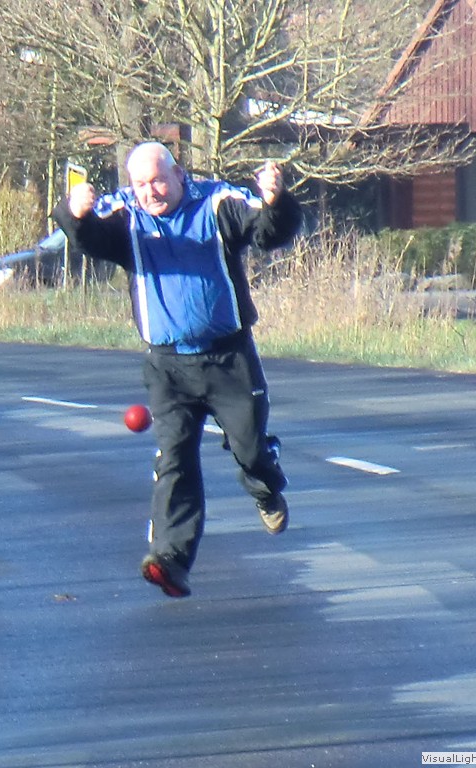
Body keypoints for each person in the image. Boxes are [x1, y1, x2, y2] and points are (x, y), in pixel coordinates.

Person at [53, 141, 302, 598]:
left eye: (158, 181)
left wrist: (274, 201)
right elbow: (89, 238)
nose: (150, 192)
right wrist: (76, 213)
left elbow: (267, 232)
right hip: (167, 367)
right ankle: (170, 560)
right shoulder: (126, 212)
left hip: (228, 359)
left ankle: (266, 488)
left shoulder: (217, 202)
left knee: (249, 449)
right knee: (174, 460)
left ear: (179, 174)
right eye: (141, 184)